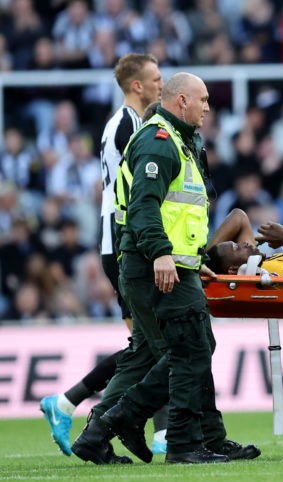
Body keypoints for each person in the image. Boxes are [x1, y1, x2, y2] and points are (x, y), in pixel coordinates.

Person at [71, 72, 258, 464]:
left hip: (172, 266)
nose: (208, 107)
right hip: (155, 267)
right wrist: (160, 254)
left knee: (190, 348)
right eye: (202, 99)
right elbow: (143, 207)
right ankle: (175, 440)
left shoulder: (181, 142)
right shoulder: (159, 142)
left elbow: (180, 218)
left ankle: (190, 434)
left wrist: (195, 261)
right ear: (181, 101)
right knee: (188, 351)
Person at [39, 53, 166, 459]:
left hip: (119, 239)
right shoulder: (130, 124)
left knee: (146, 343)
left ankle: (70, 404)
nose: (161, 85)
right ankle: (130, 425)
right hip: (124, 241)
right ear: (137, 86)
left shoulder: (121, 123)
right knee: (153, 341)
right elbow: (133, 193)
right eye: (156, 78)